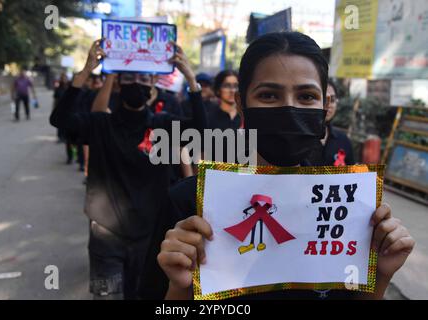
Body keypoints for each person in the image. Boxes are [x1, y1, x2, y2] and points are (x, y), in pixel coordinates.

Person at [151, 32, 414, 300]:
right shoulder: (189, 205)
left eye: (306, 96)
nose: (289, 108)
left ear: (325, 106)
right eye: (268, 95)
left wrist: (380, 275)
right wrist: (181, 287)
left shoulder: (352, 213)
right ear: (242, 105)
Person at [50, 39, 206, 300]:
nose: (137, 83)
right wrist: (86, 71)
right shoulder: (100, 124)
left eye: (144, 78)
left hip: (150, 236)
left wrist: (190, 78)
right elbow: (60, 120)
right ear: (119, 84)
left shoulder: (163, 127)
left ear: (153, 86)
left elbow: (201, 130)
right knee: (107, 296)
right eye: (130, 77)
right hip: (106, 235)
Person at [319, 79, 355, 166]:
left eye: (332, 100)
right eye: (323, 99)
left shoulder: (343, 140)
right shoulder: (297, 140)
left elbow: (352, 174)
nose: (328, 105)